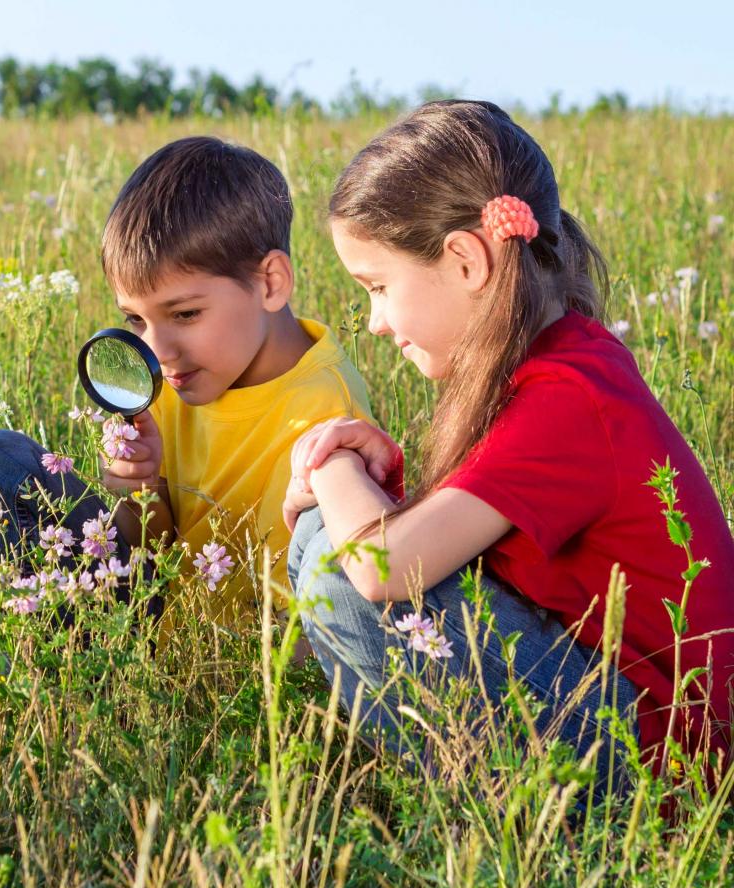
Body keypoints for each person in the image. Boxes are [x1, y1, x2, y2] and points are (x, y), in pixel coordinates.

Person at [284, 100, 734, 787]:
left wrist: (330, 460)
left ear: (466, 260)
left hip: (663, 764)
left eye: (377, 287)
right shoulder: (553, 365)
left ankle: (526, 821)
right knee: (323, 536)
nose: (374, 322)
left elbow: (382, 568)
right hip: (616, 706)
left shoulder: (570, 397)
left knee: (335, 573)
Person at [0, 137, 373, 630]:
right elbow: (150, 553)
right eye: (135, 320)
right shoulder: (177, 373)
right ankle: (26, 655)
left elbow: (291, 622)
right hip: (148, 608)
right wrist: (142, 489)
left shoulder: (323, 415)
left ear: (271, 283)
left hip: (230, 650)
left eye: (185, 314)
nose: (159, 350)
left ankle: (78, 674)